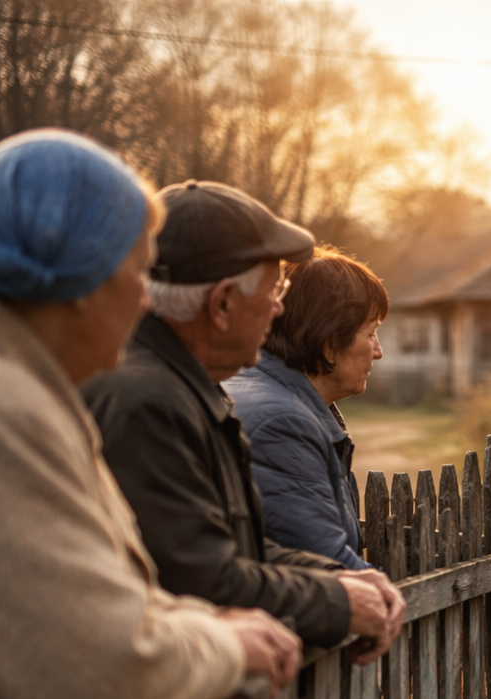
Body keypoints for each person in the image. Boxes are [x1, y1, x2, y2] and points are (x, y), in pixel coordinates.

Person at [0, 130, 300, 699]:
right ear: (78, 284)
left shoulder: (30, 391)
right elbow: (103, 664)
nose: (143, 295)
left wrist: (197, 622)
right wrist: (226, 644)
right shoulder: (4, 408)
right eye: (135, 269)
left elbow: (102, 595)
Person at [82, 181, 403, 663]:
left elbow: (236, 548)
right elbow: (200, 579)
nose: (279, 308)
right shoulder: (149, 402)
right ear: (223, 304)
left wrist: (333, 578)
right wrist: (335, 599)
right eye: (272, 290)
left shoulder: (185, 385)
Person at [226, 245, 386, 568]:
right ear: (329, 344)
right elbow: (324, 565)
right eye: (371, 334)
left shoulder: (258, 385)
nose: (378, 352)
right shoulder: (282, 424)